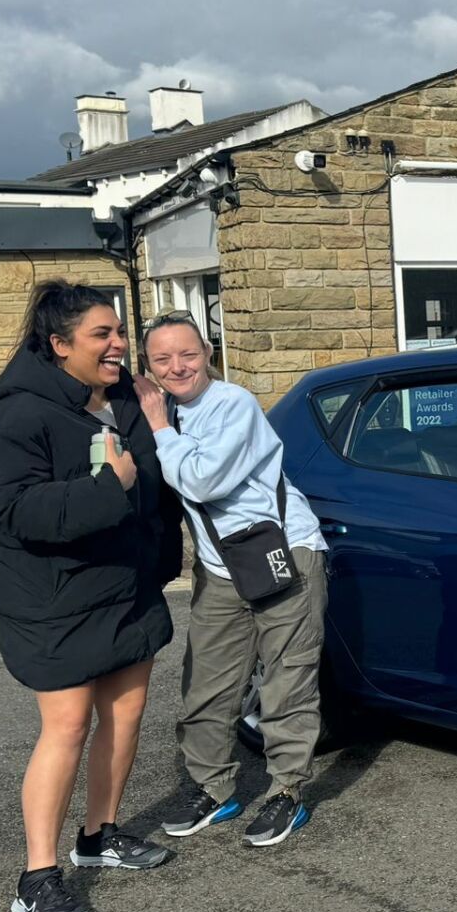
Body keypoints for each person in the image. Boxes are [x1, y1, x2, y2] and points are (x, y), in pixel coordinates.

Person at [0, 281, 183, 912]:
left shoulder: (125, 398)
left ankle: (100, 835)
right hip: (56, 599)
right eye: (102, 335)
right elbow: (14, 513)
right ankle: (36, 880)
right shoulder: (18, 417)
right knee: (67, 727)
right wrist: (106, 487)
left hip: (126, 586)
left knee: (125, 717)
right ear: (59, 344)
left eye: (120, 332)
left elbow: (156, 485)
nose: (119, 344)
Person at [136, 312, 328, 847]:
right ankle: (213, 789)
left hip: (284, 555)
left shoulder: (233, 404)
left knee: (287, 681)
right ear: (147, 365)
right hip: (222, 567)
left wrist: (156, 426)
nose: (178, 368)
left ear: (208, 352)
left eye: (188, 354)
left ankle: (286, 792)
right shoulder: (166, 407)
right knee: (207, 684)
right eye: (162, 359)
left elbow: (201, 480)